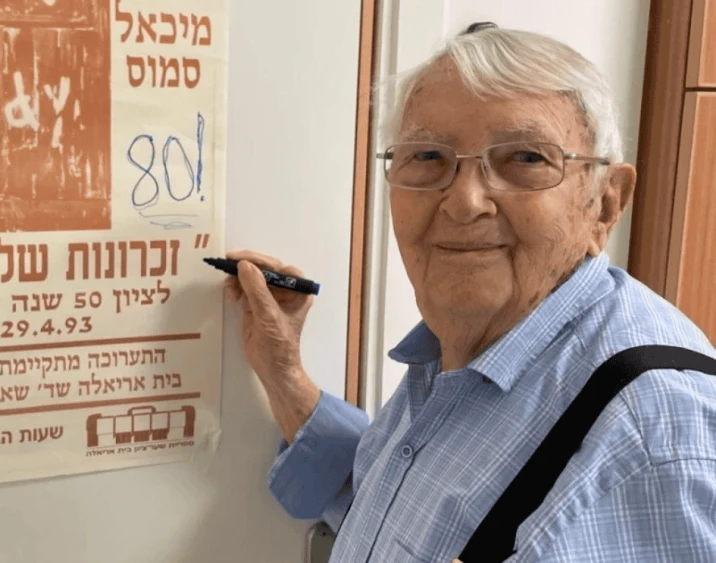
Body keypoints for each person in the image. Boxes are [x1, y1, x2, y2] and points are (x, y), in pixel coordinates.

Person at [223, 24, 716, 562]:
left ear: (604, 203)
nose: (463, 202)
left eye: (526, 158)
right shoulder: (456, 352)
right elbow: (387, 504)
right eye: (428, 157)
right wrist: (282, 372)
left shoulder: (654, 438)